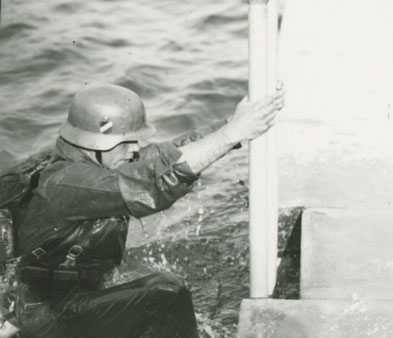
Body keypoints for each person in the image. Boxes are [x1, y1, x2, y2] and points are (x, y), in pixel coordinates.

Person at [0, 83, 285, 338]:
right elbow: (152, 184)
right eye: (127, 141)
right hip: (47, 318)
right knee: (166, 293)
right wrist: (229, 134)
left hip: (49, 306)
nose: (135, 149)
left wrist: (231, 126)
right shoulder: (68, 183)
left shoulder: (81, 163)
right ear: (95, 142)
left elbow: (161, 157)